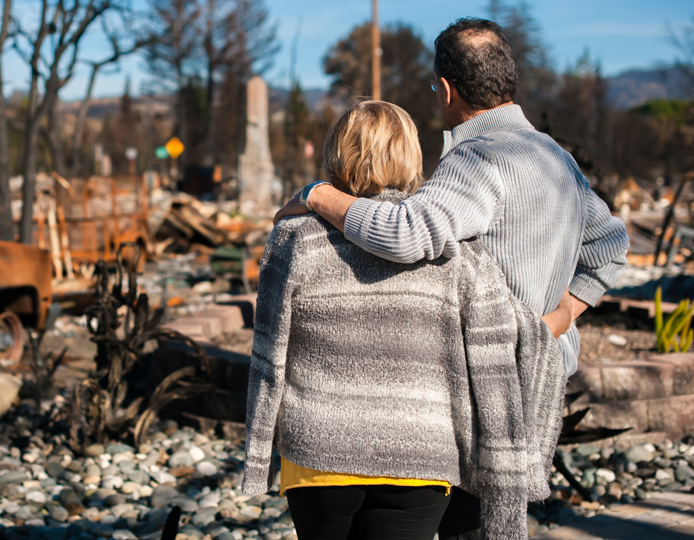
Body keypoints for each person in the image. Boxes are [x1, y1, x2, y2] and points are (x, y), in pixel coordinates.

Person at [273, 21, 630, 537]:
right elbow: (609, 244)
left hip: (485, 383)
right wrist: (558, 318)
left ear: (444, 88)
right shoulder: (556, 157)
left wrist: (315, 195)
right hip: (541, 375)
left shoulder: (476, 158)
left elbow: (405, 233)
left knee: (470, 527)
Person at [242, 100, 566, 540]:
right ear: (411, 154)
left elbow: (268, 353)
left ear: (335, 154)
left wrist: (259, 451)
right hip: (420, 453)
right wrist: (563, 315)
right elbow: (500, 345)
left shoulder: (294, 237)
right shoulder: (455, 251)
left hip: (318, 451)